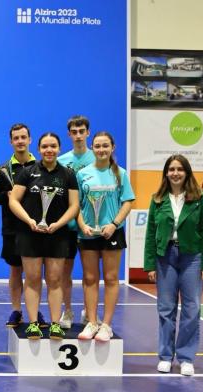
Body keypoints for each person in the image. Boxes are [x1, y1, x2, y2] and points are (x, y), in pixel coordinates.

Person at [144, 155, 203, 376]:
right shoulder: (157, 199)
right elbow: (150, 233)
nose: (175, 173)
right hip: (165, 257)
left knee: (192, 308)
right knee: (166, 308)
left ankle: (186, 358)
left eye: (180, 169)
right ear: (166, 173)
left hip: (192, 258)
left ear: (187, 172)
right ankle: (165, 356)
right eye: (171, 169)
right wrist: (149, 264)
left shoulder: (200, 198)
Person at [8, 133, 79, 339]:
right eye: (45, 146)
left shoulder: (68, 174)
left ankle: (55, 324)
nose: (49, 150)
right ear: (39, 149)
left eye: (53, 146)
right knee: (32, 279)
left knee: (55, 280)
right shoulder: (27, 173)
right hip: (29, 234)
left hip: (57, 235)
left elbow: (74, 205)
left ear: (59, 148)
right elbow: (13, 201)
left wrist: (59, 224)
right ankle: (33, 324)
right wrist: (29, 220)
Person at [76, 131, 134, 341]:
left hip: (112, 232)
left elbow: (128, 202)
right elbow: (76, 204)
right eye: (97, 146)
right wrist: (83, 225)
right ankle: (92, 322)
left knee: (110, 278)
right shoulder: (82, 174)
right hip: (88, 234)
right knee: (90, 278)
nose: (101, 150)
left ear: (112, 147)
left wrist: (114, 224)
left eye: (105, 146)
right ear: (92, 148)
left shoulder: (120, 173)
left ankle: (106, 325)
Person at [0, 123, 47, 327]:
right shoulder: (2, 170)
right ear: (11, 142)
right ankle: (16, 310)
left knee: (34, 273)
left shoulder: (41, 167)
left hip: (35, 227)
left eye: (23, 137)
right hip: (12, 228)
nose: (20, 141)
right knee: (15, 270)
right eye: (16, 138)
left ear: (30, 140)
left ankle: (34, 310)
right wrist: (9, 195)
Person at [57, 115, 95, 329]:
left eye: (82, 131)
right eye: (74, 132)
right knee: (65, 272)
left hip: (91, 226)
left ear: (88, 132)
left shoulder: (98, 157)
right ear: (69, 134)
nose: (78, 135)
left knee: (90, 274)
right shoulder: (62, 161)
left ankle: (89, 313)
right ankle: (68, 311)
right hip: (68, 227)